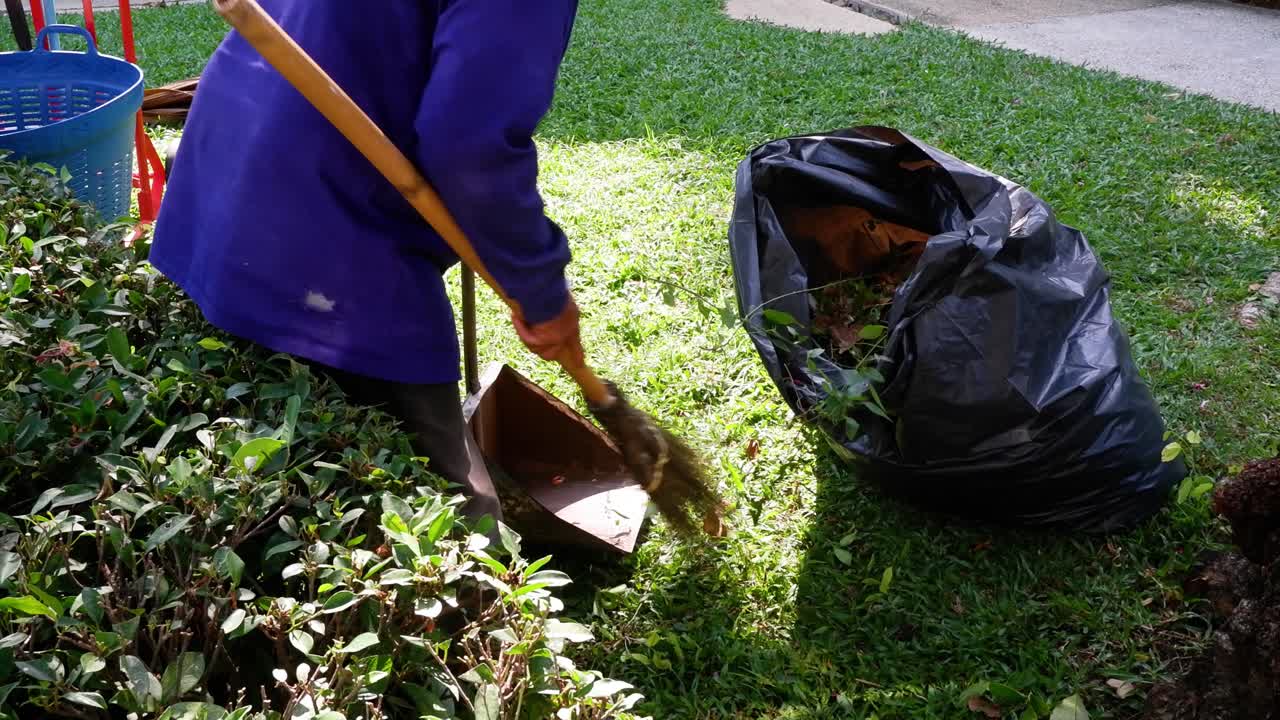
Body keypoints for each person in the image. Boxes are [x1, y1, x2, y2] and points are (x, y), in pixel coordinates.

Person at [150, 0, 585, 521]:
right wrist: (541, 293)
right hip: (319, 221)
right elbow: (471, 149)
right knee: (455, 523)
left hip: (222, 164)